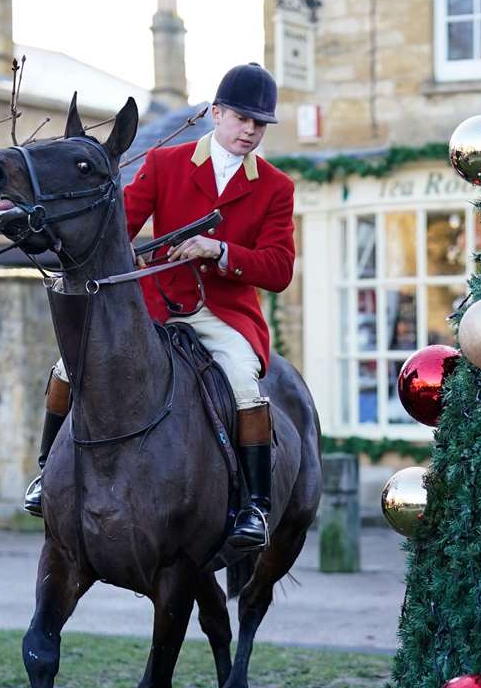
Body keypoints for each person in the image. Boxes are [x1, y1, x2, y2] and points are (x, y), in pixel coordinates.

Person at [24, 63, 296, 552]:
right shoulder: (166, 163)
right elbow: (119, 226)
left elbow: (278, 269)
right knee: (68, 367)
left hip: (223, 314)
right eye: (240, 118)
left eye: (260, 123)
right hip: (152, 306)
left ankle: (255, 507)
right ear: (215, 113)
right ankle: (46, 474)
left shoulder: (276, 187)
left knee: (242, 383)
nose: (250, 130)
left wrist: (220, 252)